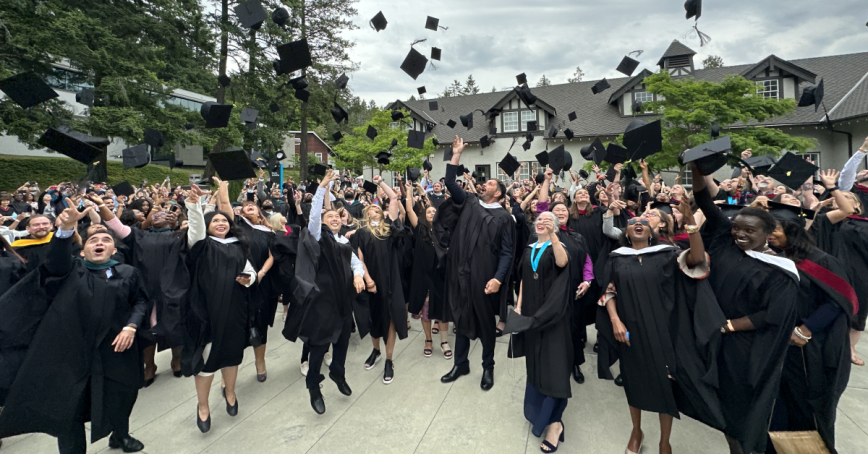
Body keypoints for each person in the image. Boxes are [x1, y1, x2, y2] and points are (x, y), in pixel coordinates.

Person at [0, 207, 149, 454]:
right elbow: (56, 261)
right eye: (93, 240)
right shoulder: (70, 272)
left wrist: (131, 326)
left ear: (115, 250)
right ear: (82, 250)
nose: (99, 242)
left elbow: (141, 302)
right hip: (73, 353)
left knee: (122, 394)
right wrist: (65, 229)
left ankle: (120, 435)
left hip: (116, 349)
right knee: (71, 406)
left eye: (106, 240)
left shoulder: (128, 272)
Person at [598, 197, 725, 454]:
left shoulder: (668, 254)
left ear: (653, 232)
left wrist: (691, 223)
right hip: (630, 330)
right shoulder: (616, 258)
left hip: (665, 331)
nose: (638, 223)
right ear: (626, 231)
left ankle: (664, 441)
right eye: (633, 221)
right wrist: (615, 320)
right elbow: (609, 292)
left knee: (665, 384)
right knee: (634, 382)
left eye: (644, 221)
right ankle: (637, 431)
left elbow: (696, 261)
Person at [692, 163, 799, 454]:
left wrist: (728, 325)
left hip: (744, 346)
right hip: (713, 336)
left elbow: (772, 315)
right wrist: (697, 169)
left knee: (740, 407)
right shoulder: (726, 243)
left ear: (767, 234)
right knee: (719, 404)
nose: (739, 233)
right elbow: (704, 201)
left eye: (748, 230)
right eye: (736, 227)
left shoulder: (780, 270)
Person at [766, 202, 856, 454]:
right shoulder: (773, 258)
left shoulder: (819, 261)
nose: (769, 233)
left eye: (775, 228)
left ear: (793, 229)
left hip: (810, 348)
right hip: (780, 345)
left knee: (806, 406)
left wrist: (807, 328)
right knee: (778, 405)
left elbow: (842, 299)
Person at [93, 191, 205, 385]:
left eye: (167, 214)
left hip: (173, 291)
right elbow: (115, 225)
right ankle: (150, 365)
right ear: (149, 219)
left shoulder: (181, 236)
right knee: (146, 331)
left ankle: (176, 359)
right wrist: (102, 206)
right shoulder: (137, 235)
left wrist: (193, 207)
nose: (161, 215)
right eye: (156, 214)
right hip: (144, 290)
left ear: (174, 220)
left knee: (175, 327)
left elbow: (198, 231)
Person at [283, 170, 366, 414]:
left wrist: (359, 275)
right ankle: (313, 385)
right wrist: (322, 187)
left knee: (342, 340)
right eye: (329, 216)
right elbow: (315, 219)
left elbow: (354, 263)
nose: (334, 218)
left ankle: (338, 373)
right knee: (320, 345)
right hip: (322, 300)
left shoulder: (344, 242)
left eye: (337, 216)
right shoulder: (319, 237)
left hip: (342, 300)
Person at [438, 136, 516, 391]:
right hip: (461, 274)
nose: (486, 184)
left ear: (499, 193)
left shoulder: (505, 218)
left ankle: (488, 367)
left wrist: (498, 279)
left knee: (485, 325)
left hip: (485, 278)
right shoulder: (470, 202)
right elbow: (450, 181)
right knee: (461, 318)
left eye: (491, 183)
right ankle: (461, 363)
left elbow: (507, 253)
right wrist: (456, 154)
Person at [182, 178, 257, 433]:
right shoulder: (202, 246)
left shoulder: (238, 247)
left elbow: (250, 270)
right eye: (215, 220)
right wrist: (195, 207)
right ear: (208, 226)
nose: (222, 223)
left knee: (232, 355)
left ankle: (231, 392)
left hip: (235, 310)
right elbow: (195, 231)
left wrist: (250, 278)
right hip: (206, 312)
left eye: (224, 220)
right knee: (207, 359)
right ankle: (203, 406)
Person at [509, 211, 572, 452]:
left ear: (555, 226)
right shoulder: (529, 248)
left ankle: (555, 423)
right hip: (531, 315)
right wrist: (519, 304)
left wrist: (553, 237)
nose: (541, 221)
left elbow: (562, 263)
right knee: (535, 363)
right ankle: (539, 412)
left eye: (548, 220)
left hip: (553, 315)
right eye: (539, 219)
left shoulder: (558, 246)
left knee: (553, 365)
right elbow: (524, 278)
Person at [809, 169, 868, 367]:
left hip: (860, 272)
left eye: (847, 196)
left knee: (859, 309)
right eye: (838, 197)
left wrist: (834, 189)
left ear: (858, 204)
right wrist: (826, 192)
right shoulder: (826, 221)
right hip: (832, 270)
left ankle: (850, 347)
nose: (840, 198)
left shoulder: (863, 224)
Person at [352, 175, 406, 384]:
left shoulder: (390, 229)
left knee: (391, 317)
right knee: (374, 318)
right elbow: (359, 259)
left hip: (391, 280)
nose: (374, 211)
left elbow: (393, 199)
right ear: (366, 214)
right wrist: (368, 279)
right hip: (371, 281)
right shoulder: (361, 233)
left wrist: (380, 182)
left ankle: (389, 359)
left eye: (377, 209)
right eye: (371, 210)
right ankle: (375, 351)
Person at [404, 180, 451, 359]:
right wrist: (409, 191)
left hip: (440, 276)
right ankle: (429, 339)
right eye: (429, 211)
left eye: (434, 211)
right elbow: (409, 210)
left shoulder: (444, 232)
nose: (431, 213)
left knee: (442, 309)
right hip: (423, 277)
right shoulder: (420, 229)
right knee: (425, 310)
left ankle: (445, 341)